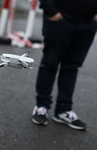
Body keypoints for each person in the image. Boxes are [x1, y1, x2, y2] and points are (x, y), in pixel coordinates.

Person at [32, 0, 97, 130]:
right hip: (60, 19)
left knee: (72, 67)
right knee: (50, 63)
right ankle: (42, 106)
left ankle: (63, 110)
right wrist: (50, 10)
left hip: (88, 23)